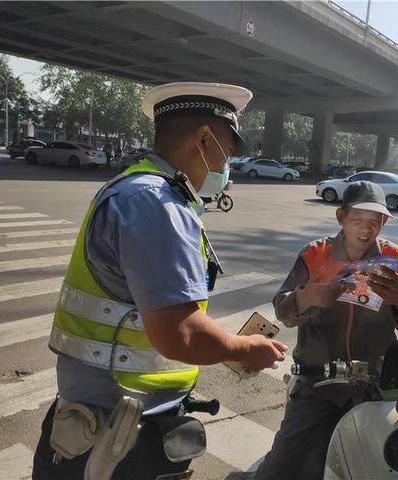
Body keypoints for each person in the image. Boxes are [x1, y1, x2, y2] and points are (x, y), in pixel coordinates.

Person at [32, 82, 288, 480]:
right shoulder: (156, 203)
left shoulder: (142, 188)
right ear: (205, 139)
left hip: (105, 423)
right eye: (229, 146)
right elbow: (180, 335)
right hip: (116, 439)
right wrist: (246, 348)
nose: (231, 160)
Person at [255, 181, 398, 480]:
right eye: (357, 221)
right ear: (340, 217)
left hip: (374, 387)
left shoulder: (396, 260)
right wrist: (308, 296)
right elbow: (282, 310)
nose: (365, 230)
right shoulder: (314, 254)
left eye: (374, 223)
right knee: (284, 467)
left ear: (384, 222)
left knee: (383, 465)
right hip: (316, 383)